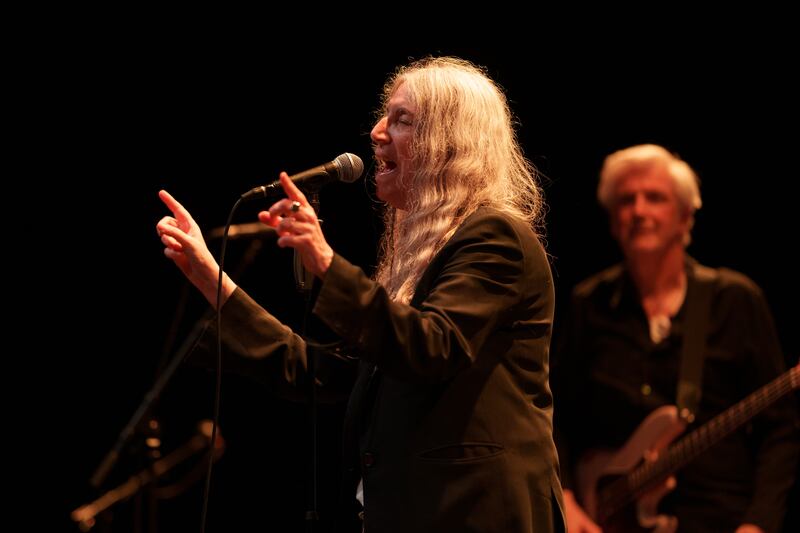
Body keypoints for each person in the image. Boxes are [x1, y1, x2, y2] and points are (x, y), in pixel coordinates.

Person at [157, 56, 566, 532]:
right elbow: (327, 373)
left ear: (451, 143)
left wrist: (327, 265)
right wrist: (212, 278)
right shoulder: (423, 257)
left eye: (402, 120)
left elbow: (433, 346)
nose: (375, 132)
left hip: (479, 513)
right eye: (383, 116)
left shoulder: (495, 236)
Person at [552, 143, 799, 533]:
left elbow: (781, 431)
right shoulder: (589, 303)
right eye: (626, 200)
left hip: (719, 520)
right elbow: (555, 415)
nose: (639, 211)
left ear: (685, 217)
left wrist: (758, 523)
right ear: (613, 221)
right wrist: (564, 497)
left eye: (655, 198)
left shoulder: (734, 300)